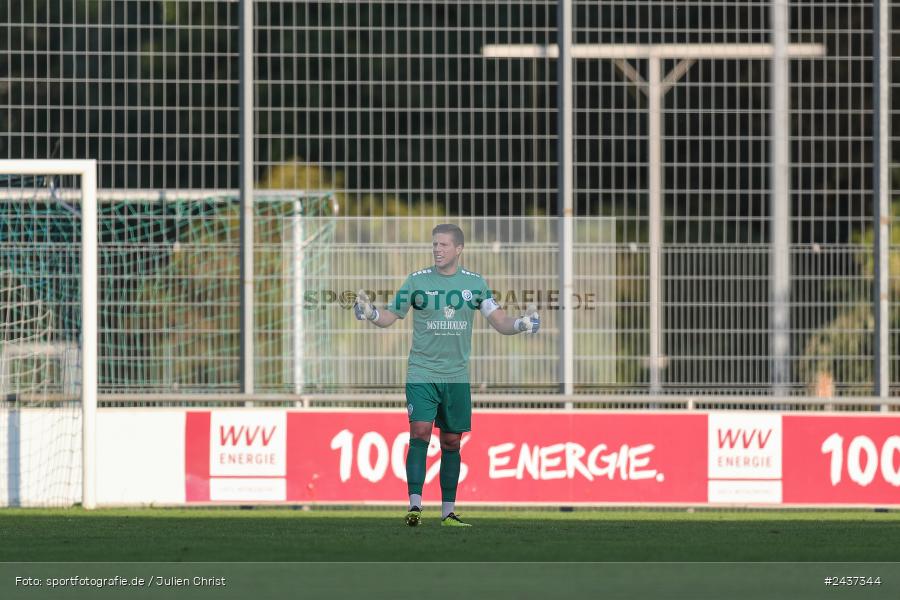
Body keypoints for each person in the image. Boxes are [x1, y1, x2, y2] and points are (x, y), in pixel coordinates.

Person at [353, 223, 540, 527]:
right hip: (422, 372)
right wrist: (371, 313)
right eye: (434, 244)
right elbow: (390, 316)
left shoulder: (475, 284)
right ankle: (415, 506)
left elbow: (499, 321)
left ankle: (448, 513)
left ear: (458, 249)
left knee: (452, 441)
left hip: (456, 377)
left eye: (443, 245)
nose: (437, 250)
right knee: (420, 432)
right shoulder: (416, 281)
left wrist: (521, 324)